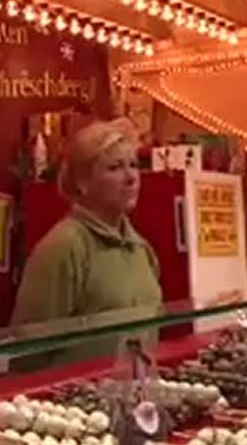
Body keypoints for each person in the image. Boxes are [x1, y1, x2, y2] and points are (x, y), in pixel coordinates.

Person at [11, 121, 162, 362]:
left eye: (134, 165)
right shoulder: (63, 247)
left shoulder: (141, 250)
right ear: (82, 182)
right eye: (115, 167)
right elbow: (29, 353)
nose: (131, 177)